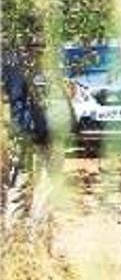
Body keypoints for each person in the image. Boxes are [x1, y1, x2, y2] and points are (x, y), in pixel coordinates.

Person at [1, 38, 51, 235]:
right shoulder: (20, 67)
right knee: (40, 184)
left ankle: (20, 234)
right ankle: (29, 234)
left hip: (29, 132)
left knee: (24, 184)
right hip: (32, 132)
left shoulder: (11, 64)